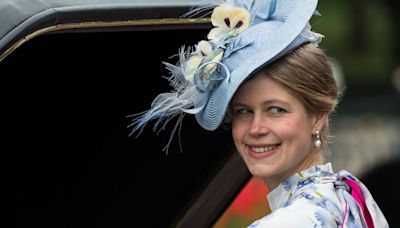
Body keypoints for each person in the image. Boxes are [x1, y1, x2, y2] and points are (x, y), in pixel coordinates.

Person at [128, 0, 389, 227]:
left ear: (318, 115)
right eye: (243, 111)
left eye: (276, 110)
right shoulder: (347, 196)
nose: (256, 128)